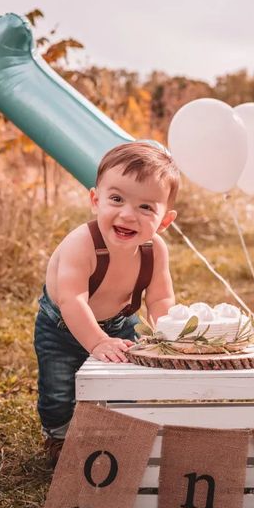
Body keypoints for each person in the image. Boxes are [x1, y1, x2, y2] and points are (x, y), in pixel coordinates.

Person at [34, 142, 180, 466]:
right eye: (116, 199)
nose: (128, 214)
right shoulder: (81, 243)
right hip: (61, 325)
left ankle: (119, 430)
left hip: (119, 322)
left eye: (146, 207)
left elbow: (160, 298)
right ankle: (58, 437)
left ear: (165, 220)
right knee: (58, 389)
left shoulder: (154, 250)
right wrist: (97, 342)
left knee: (128, 379)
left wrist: (171, 333)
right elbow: (71, 299)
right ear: (95, 200)